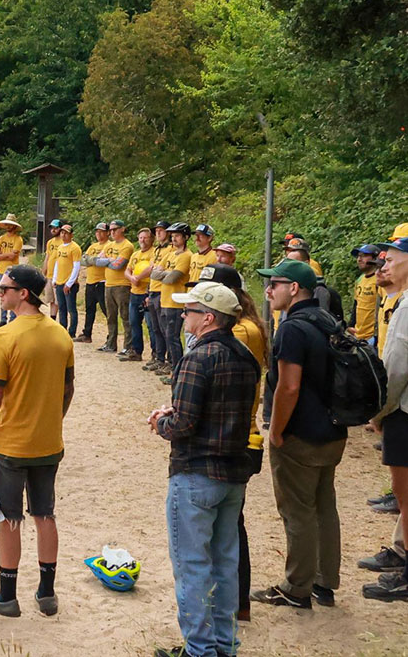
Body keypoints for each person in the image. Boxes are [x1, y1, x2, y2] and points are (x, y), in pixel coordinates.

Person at [147, 282, 258, 657]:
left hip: (196, 473)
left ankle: (198, 649)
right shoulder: (245, 355)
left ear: (208, 317)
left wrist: (161, 421)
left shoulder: (198, 357)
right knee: (226, 565)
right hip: (233, 475)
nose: (183, 316)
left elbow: (183, 425)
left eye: (189, 311)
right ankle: (225, 646)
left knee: (193, 567)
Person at [0, 265, 74, 618]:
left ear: (23, 293)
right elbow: (68, 388)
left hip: (13, 444)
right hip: (49, 442)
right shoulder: (61, 334)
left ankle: (7, 595)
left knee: (10, 518)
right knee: (45, 514)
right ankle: (47, 592)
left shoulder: (6, 336)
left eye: (4, 289)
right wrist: (52, 419)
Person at [251, 259, 345, 609]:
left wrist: (275, 430)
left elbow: (288, 387)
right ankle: (324, 582)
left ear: (294, 288)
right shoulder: (327, 320)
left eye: (274, 283)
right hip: (332, 430)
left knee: (298, 511)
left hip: (300, 434)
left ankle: (296, 588)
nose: (268, 290)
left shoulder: (292, 328)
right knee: (324, 506)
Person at [200, 263, 268, 623]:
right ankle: (234, 602)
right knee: (226, 525)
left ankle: (234, 602)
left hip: (237, 439)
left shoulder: (240, 332)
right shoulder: (244, 327)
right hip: (236, 434)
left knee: (228, 528)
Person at [364, 237, 408, 602]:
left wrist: (380, 411)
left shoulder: (407, 306)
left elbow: (396, 368)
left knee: (406, 497)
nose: (384, 265)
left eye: (392, 259)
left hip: (403, 411)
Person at [151, 223, 192, 375]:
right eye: (172, 236)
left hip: (176, 302)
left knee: (173, 337)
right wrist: (165, 273)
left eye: (177, 236)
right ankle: (172, 364)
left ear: (185, 237)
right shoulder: (170, 254)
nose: (173, 239)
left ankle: (177, 369)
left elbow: (172, 279)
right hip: (164, 300)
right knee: (166, 335)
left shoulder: (187, 256)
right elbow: (153, 273)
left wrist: (163, 272)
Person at [99, 220, 134, 355]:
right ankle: (111, 343)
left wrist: (107, 260)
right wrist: (110, 260)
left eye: (115, 229)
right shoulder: (109, 245)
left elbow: (118, 265)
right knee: (110, 316)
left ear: (122, 229)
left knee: (125, 316)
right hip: (108, 284)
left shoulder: (127, 246)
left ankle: (128, 345)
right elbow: (97, 261)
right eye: (111, 230)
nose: (112, 232)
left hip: (122, 285)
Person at [122, 228, 155, 362]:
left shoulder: (154, 252)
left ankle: (155, 354)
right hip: (134, 293)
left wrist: (138, 277)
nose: (142, 240)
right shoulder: (135, 254)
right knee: (134, 322)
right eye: (140, 237)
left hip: (147, 292)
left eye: (145, 237)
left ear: (151, 239)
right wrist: (132, 278)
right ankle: (136, 351)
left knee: (151, 325)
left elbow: (151, 268)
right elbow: (127, 270)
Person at [145, 221, 172, 373]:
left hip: (163, 291)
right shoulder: (156, 250)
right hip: (153, 290)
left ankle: (168, 360)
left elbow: (162, 271)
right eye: (157, 231)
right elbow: (151, 271)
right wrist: (148, 292)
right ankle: (159, 358)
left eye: (161, 230)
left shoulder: (171, 249)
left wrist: (156, 270)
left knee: (164, 329)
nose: (158, 233)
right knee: (156, 328)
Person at [77, 222, 109, 343]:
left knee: (106, 310)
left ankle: (111, 335)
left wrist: (92, 260)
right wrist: (94, 260)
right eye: (97, 231)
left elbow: (103, 261)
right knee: (89, 309)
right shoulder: (93, 246)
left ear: (107, 233)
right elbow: (83, 260)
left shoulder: (109, 245)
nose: (98, 234)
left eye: (101, 231)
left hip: (102, 281)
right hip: (90, 281)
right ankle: (87, 333)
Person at [0, 215, 24, 328]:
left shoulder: (18, 239)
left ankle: (12, 318)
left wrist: (2, 255)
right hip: (0, 269)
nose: (8, 226)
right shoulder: (1, 239)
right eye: (7, 224)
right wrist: (5, 255)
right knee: (2, 294)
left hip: (12, 269)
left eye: (10, 224)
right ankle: (2, 318)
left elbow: (12, 256)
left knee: (12, 294)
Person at [349, 244, 382, 346]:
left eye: (364, 256)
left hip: (372, 337)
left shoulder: (379, 279)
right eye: (358, 256)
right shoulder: (360, 279)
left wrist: (377, 335)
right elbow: (356, 304)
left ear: (375, 258)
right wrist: (351, 325)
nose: (359, 259)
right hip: (358, 334)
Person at [52, 225, 82, 338]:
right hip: (59, 282)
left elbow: (76, 267)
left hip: (69, 284)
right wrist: (55, 279)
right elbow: (57, 264)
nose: (63, 235)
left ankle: (72, 331)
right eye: (62, 233)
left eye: (66, 233)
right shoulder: (60, 248)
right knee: (62, 308)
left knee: (71, 309)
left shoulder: (74, 248)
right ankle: (62, 329)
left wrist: (69, 283)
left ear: (71, 235)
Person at [42, 220, 63, 320]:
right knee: (51, 299)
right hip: (49, 275)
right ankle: (52, 318)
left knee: (58, 300)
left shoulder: (64, 242)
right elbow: (47, 257)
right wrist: (44, 271)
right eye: (52, 228)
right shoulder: (50, 242)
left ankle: (62, 320)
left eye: (56, 228)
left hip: (59, 276)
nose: (53, 230)